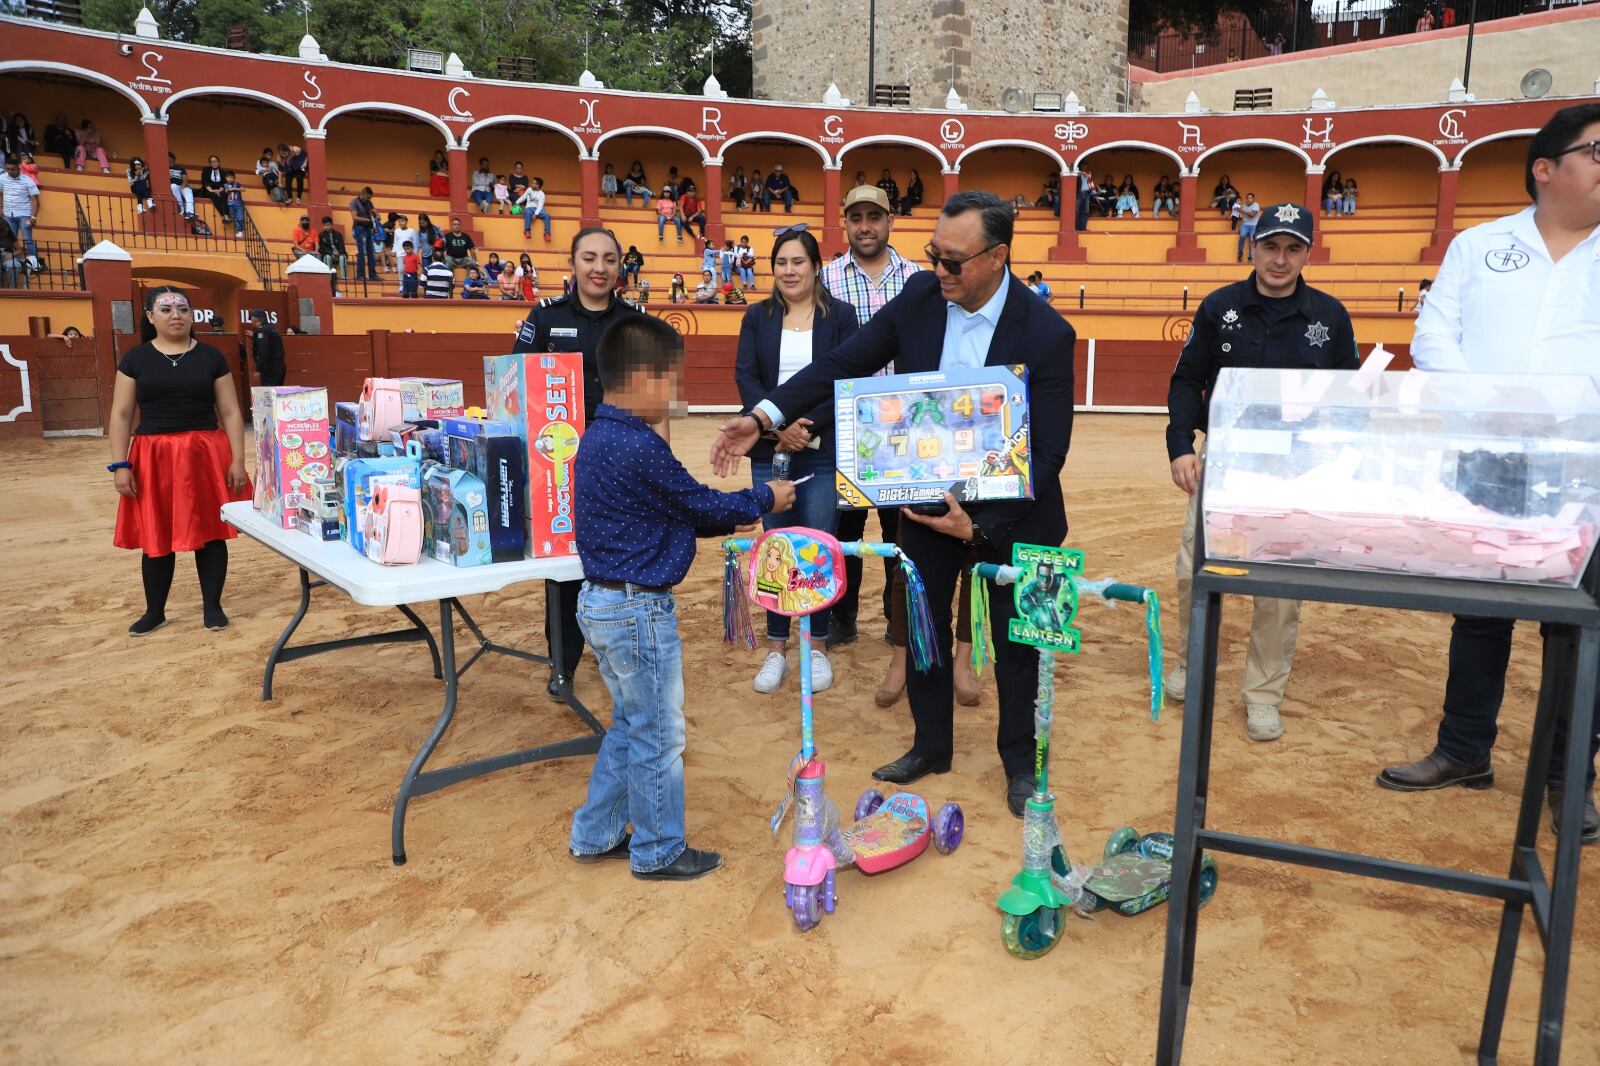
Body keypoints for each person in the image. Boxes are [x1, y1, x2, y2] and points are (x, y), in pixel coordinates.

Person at [711, 191, 1077, 817]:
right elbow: (841, 361)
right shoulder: (919, 299)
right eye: (935, 254)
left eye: (954, 261)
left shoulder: (1048, 332)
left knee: (1021, 647)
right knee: (924, 626)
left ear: (998, 257)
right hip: (926, 506)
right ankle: (931, 745)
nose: (939, 269)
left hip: (1019, 517)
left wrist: (982, 525)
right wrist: (764, 415)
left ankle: (1019, 763)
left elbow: (1048, 453)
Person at [1378, 104, 1600, 844]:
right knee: (1480, 612)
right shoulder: (1481, 246)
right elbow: (1433, 334)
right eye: (1598, 151)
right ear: (1546, 167)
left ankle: (1571, 780)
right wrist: (1494, 409)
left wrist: (1565, 414)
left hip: (1588, 467)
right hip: (1490, 455)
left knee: (1578, 629)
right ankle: (1465, 750)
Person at [568, 314, 790, 881]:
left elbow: (686, 511)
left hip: (601, 603)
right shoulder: (638, 445)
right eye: (672, 380)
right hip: (637, 609)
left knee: (630, 724)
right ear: (643, 379)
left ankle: (595, 834)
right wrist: (766, 496)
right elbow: (700, 507)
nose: (677, 393)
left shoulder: (597, 436)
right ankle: (658, 849)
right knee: (658, 734)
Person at [1166, 202, 1358, 742]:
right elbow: (1186, 380)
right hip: (1224, 464)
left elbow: (1347, 399)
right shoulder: (1219, 307)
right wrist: (1181, 446)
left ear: (1307, 253)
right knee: (1193, 571)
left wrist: (1334, 463)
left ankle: (1263, 693)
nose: (1280, 259)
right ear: (1252, 246)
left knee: (1277, 588)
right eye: (1271, 246)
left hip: (1293, 474)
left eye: (1293, 248)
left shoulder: (1330, 317)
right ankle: (1192, 663)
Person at [511, 227, 647, 698]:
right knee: (564, 563)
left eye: (609, 259)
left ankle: (621, 656)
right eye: (589, 257)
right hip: (558, 462)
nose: (599, 268)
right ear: (572, 263)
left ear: (619, 267)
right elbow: (517, 382)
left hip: (619, 462)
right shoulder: (546, 318)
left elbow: (652, 393)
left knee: (618, 560)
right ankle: (563, 663)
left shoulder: (634, 320)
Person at [734, 226, 860, 692]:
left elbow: (848, 377)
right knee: (776, 547)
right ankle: (776, 648)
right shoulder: (757, 316)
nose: (789, 271)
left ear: (815, 267)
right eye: (781, 263)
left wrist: (805, 428)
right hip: (771, 449)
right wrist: (775, 427)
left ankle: (818, 646)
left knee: (819, 545)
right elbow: (747, 377)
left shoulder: (842, 317)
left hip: (821, 449)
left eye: (798, 262)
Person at [817, 186, 921, 664]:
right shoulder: (826, 279)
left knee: (902, 530)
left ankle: (896, 617)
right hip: (846, 428)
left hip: (908, 429)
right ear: (845, 223)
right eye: (856, 217)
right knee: (846, 530)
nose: (865, 226)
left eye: (873, 217)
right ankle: (843, 619)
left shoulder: (919, 279)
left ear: (889, 221)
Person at [108, 287, 250, 636]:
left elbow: (231, 412)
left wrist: (238, 460)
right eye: (167, 308)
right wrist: (120, 464)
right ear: (150, 316)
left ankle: (212, 607)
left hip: (204, 453)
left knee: (211, 532)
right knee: (157, 531)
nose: (176, 315)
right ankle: (154, 611)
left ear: (192, 316)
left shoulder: (211, 357)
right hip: (152, 456)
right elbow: (121, 414)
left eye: (184, 309)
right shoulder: (135, 359)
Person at [1, 155, 41, 263]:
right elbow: (0, 194)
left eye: (12, 169)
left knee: (28, 240)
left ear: (19, 168)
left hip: (24, 215)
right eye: (7, 169)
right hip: (8, 215)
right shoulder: (2, 178)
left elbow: (35, 200)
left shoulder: (28, 180)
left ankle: (34, 263)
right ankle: (16, 262)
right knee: (11, 241)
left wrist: (33, 216)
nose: (10, 171)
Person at [248, 309, 286, 386]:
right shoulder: (272, 328)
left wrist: (258, 369)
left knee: (269, 391)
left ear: (255, 319)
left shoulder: (262, 330)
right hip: (279, 365)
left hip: (270, 368)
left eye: (251, 319)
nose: (251, 322)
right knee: (278, 391)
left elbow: (263, 351)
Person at [349, 187, 379, 282]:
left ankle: (372, 275)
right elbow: (354, 217)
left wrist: (376, 216)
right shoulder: (354, 202)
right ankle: (360, 275)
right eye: (368, 197)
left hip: (368, 229)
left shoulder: (369, 203)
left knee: (371, 253)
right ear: (363, 194)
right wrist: (368, 220)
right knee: (361, 253)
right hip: (359, 228)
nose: (369, 199)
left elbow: (375, 214)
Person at [519, 177, 552, 241]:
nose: (531, 184)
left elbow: (540, 205)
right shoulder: (529, 190)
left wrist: (536, 214)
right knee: (528, 213)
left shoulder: (542, 194)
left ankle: (547, 234)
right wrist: (517, 202)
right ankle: (527, 231)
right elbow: (523, 197)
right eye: (532, 182)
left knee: (547, 215)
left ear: (538, 185)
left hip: (538, 210)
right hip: (529, 208)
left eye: (533, 183)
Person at [317, 217, 347, 282]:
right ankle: (329, 277)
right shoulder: (321, 235)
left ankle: (344, 278)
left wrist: (338, 253)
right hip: (329, 254)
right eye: (324, 225)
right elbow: (323, 248)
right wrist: (332, 254)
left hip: (339, 254)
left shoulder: (338, 234)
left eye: (328, 225)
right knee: (327, 257)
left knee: (342, 257)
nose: (326, 227)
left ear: (331, 224)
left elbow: (342, 247)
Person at [167, 153, 196, 219]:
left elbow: (185, 180)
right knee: (173, 186)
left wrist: (182, 187)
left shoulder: (180, 168)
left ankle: (190, 212)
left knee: (188, 190)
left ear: (172, 158)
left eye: (167, 157)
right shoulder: (164, 168)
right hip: (173, 188)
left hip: (181, 186)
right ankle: (182, 208)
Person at [1236, 192, 1262, 262]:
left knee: (1252, 240)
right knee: (1242, 235)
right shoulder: (1244, 206)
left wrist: (1242, 211)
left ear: (1253, 199)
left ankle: (1250, 256)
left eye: (1250, 198)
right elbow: (1240, 214)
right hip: (1245, 225)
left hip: (1254, 225)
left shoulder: (1255, 205)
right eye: (1247, 198)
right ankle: (1240, 253)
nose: (1248, 199)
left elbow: (1252, 215)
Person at [221, 171, 246, 238]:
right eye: (228, 177)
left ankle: (241, 229)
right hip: (230, 204)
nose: (230, 178)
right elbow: (225, 192)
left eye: (231, 177)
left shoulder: (237, 183)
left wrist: (234, 188)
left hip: (238, 203)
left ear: (234, 178)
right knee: (235, 217)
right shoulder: (225, 185)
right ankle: (239, 231)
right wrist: (227, 190)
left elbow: (243, 189)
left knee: (240, 218)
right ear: (226, 178)